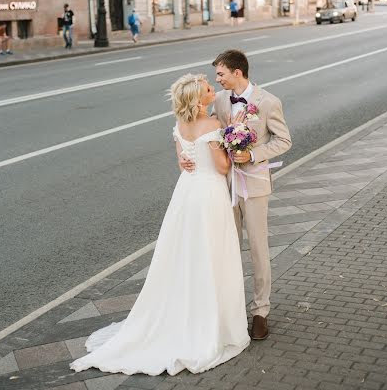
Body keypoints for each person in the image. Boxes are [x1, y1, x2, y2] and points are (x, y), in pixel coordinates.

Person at [71, 73, 249, 376]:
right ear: (198, 98)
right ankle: (210, 319)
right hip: (208, 194)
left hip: (186, 193)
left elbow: (182, 157)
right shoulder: (212, 126)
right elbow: (221, 167)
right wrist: (235, 145)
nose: (212, 90)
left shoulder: (181, 125)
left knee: (184, 254)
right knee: (211, 253)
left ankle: (182, 311)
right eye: (208, 88)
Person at [181, 50, 292, 341]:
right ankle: (229, 310)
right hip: (222, 186)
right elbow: (199, 131)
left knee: (257, 249)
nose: (217, 80)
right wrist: (185, 154)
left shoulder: (268, 102)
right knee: (227, 248)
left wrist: (252, 153)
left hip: (254, 185)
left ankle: (260, 312)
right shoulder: (218, 100)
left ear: (237, 73)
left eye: (221, 74)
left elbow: (284, 140)